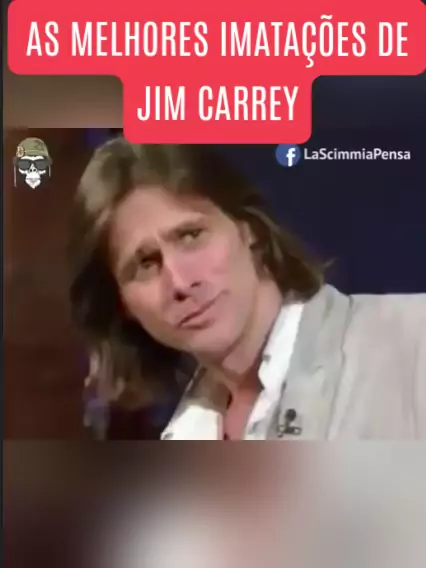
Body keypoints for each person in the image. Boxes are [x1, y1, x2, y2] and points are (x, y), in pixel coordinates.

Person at [69, 140, 426, 440]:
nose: (180, 282)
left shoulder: (412, 343)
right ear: (122, 304)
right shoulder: (184, 438)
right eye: (146, 264)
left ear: (249, 228)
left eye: (191, 236)